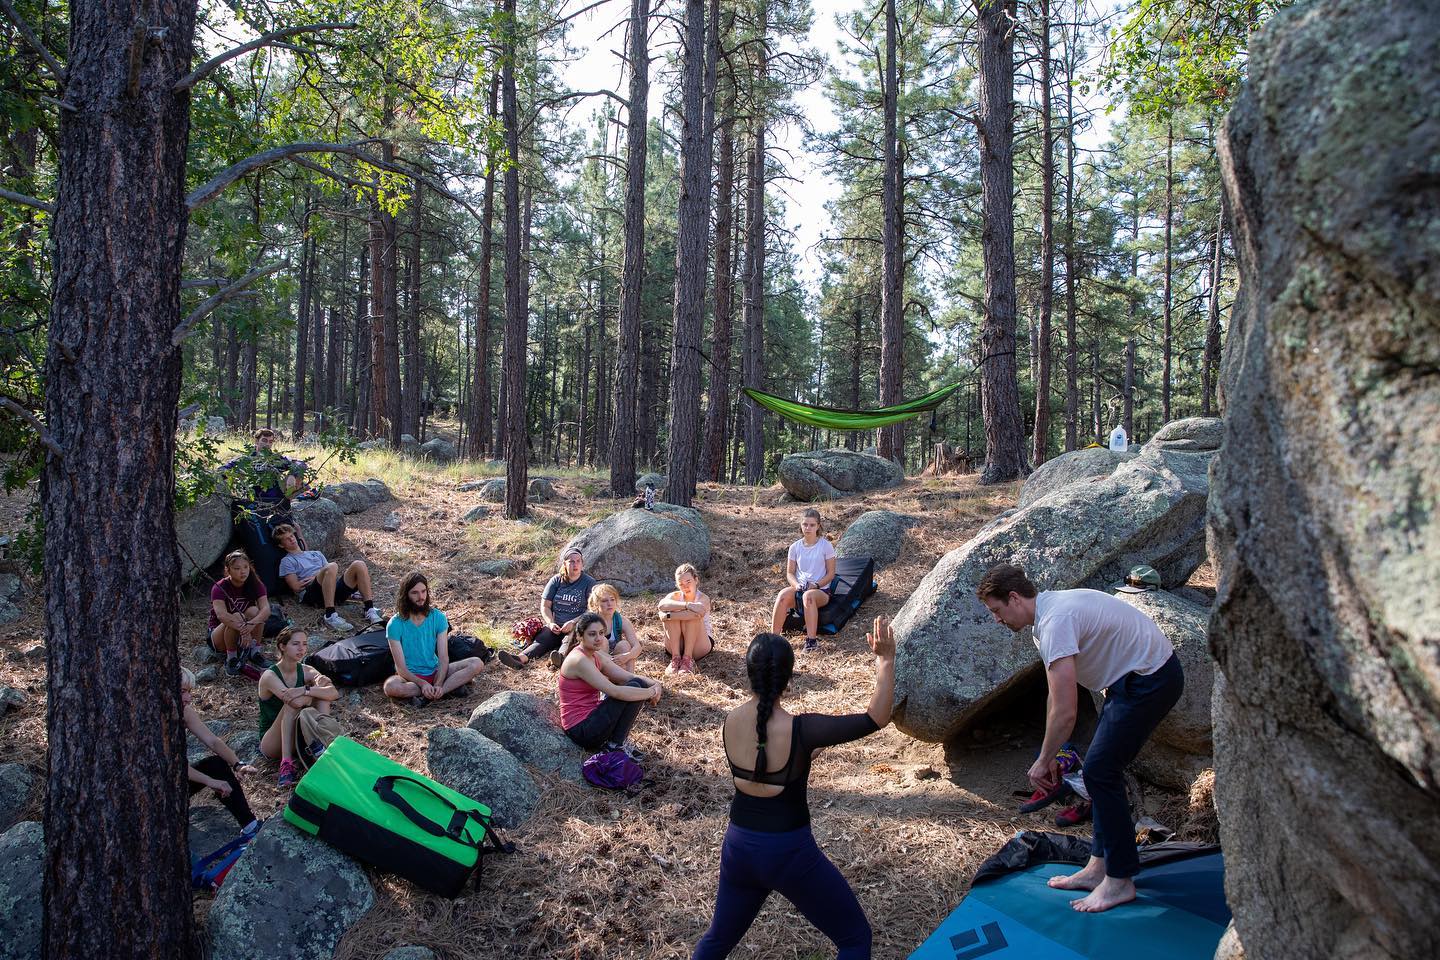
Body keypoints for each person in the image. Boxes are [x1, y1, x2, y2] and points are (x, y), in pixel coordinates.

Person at [977, 563, 1183, 913]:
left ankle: (1119, 881)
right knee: (1100, 772)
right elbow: (1054, 697)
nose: (997, 620)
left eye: (997, 611)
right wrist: (1047, 752)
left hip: (1151, 678)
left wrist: (1044, 761)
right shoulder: (1045, 620)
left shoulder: (1056, 621)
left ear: (1014, 598)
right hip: (1129, 681)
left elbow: (1067, 711)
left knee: (1101, 771)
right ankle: (1098, 867)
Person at [692, 617, 896, 960]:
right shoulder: (803, 731)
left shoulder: (729, 722)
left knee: (716, 941)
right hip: (788, 854)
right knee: (854, 939)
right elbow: (875, 717)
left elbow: (763, 751)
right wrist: (886, 659)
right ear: (789, 678)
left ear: (749, 673)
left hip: (739, 848)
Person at [557, 611, 662, 756]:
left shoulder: (595, 654)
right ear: (580, 636)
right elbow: (614, 691)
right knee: (634, 688)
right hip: (581, 730)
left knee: (636, 683)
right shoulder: (579, 660)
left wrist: (655, 684)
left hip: (592, 717)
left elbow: (627, 677)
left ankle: (616, 743)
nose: (599, 638)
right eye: (592, 634)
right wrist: (651, 693)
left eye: (601, 633)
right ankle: (614, 745)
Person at [382, 571, 487, 707]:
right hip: (410, 678)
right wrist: (422, 683)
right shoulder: (395, 624)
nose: (421, 597)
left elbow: (443, 658)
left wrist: (438, 684)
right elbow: (401, 668)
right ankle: (446, 689)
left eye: (423, 591)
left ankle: (439, 692)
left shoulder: (438, 617)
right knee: (390, 687)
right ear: (405, 595)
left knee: (476, 663)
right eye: (415, 593)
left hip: (436, 672)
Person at [182, 668, 260, 836]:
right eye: (182, 691)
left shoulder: (185, 712)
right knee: (212, 772)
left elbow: (213, 741)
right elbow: (175, 768)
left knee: (216, 765)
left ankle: (250, 826)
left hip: (178, 781)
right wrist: (209, 781)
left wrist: (237, 764)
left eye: (189, 691)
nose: (188, 698)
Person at [257, 626, 339, 788]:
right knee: (293, 704)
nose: (301, 648)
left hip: (298, 734)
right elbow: (293, 701)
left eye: (304, 644)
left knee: (321, 697)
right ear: (282, 647)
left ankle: (325, 745)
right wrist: (312, 693)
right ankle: (286, 764)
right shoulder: (270, 675)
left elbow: (333, 693)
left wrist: (305, 689)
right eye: (295, 644)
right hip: (273, 742)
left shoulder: (306, 670)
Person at [498, 547, 596, 670]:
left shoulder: (589, 582)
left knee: (570, 639)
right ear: (565, 563)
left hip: (576, 625)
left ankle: (559, 659)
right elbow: (545, 606)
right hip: (556, 626)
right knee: (542, 638)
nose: (575, 564)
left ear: (582, 563)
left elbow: (592, 609)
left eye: (578, 561)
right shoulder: (556, 580)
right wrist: (550, 623)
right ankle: (519, 659)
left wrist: (573, 622)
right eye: (571, 561)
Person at [272, 523, 383, 632]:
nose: (291, 539)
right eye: (287, 539)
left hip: (331, 590)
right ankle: (330, 615)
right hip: (312, 594)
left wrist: (317, 575)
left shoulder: (316, 554)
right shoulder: (287, 561)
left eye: (292, 536)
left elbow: (331, 575)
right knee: (332, 566)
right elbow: (296, 587)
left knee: (359, 564)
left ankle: (369, 609)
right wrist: (316, 577)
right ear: (281, 545)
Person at [769, 508, 836, 652]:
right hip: (800, 588)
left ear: (818, 526)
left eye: (812, 525)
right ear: (801, 525)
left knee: (808, 596)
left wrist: (816, 585)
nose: (808, 528)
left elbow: (831, 574)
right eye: (805, 524)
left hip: (820, 591)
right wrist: (796, 585)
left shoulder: (826, 546)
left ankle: (811, 642)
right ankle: (773, 639)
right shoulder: (795, 547)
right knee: (782, 595)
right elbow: (790, 573)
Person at [209, 551, 271, 677]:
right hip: (219, 635)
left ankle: (255, 652)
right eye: (237, 568)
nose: (243, 572)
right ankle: (231, 658)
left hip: (243, 633)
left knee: (255, 612)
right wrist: (245, 630)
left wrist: (251, 625)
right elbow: (221, 615)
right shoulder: (219, 587)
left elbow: (266, 609)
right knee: (237, 615)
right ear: (228, 570)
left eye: (245, 567)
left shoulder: (256, 583)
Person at [221, 427, 307, 515]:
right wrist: (235, 474)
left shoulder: (277, 459)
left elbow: (300, 464)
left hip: (276, 502)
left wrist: (292, 475)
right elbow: (222, 470)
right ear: (256, 441)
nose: (267, 444)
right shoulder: (245, 459)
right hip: (252, 503)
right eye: (264, 440)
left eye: (270, 442)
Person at [657, 563, 713, 674]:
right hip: (676, 644)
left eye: (688, 582)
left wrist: (668, 616)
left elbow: (697, 613)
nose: (685, 587)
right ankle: (676, 658)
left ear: (696, 580)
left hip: (699, 644)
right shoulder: (674, 596)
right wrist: (687, 605)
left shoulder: (703, 598)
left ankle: (687, 659)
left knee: (693, 616)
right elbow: (661, 605)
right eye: (681, 584)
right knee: (675, 611)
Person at [587, 582, 642, 670]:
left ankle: (631, 680)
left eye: (612, 599)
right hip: (596, 662)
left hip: (616, 659)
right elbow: (587, 649)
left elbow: (637, 647)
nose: (610, 604)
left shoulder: (622, 621)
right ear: (596, 603)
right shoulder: (590, 621)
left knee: (625, 645)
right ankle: (603, 680)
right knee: (603, 641)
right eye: (604, 601)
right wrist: (611, 660)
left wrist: (626, 656)